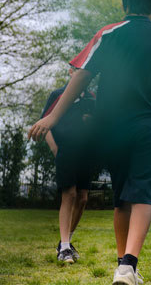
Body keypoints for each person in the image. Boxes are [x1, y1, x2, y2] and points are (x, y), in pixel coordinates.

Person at [28, 0, 151, 285]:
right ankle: (128, 265)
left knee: (121, 197)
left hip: (112, 128)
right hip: (150, 124)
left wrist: (51, 116)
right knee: (142, 190)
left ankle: (124, 268)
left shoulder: (108, 34)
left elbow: (80, 78)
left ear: (123, 3)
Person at [35, 66, 96, 264]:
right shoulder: (58, 95)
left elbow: (99, 124)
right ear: (71, 72)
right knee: (69, 194)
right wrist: (55, 149)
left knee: (83, 198)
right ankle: (64, 247)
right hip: (66, 151)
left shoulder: (92, 97)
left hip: (87, 152)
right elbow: (45, 123)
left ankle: (66, 242)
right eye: (76, 70)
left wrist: (91, 122)